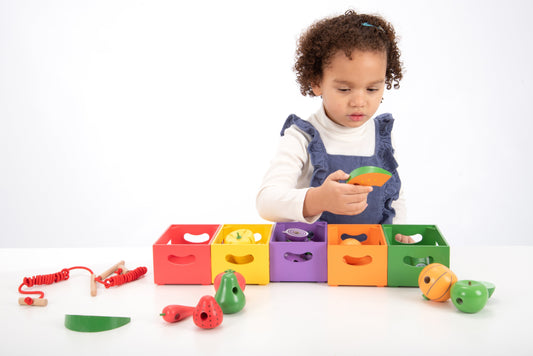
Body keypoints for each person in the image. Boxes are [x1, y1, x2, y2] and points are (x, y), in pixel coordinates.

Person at [256, 10, 413, 243]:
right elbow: (266, 201)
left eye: (372, 89)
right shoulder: (301, 137)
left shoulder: (381, 139)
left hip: (368, 260)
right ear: (317, 82)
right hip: (311, 259)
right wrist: (319, 199)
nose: (359, 101)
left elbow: (394, 197)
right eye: (344, 89)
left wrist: (398, 232)